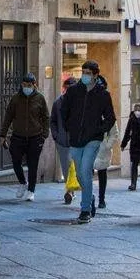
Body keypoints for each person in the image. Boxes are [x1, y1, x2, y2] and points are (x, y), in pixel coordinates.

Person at [60, 60, 116, 223]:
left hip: (93, 139)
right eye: (83, 72)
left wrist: (99, 129)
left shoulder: (103, 95)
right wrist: (69, 126)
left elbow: (110, 118)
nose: (85, 76)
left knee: (85, 170)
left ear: (95, 75)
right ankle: (89, 196)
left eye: (88, 73)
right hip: (75, 139)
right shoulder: (73, 91)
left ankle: (85, 210)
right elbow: (64, 110)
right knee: (79, 174)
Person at [0, 72, 50, 202]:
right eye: (24, 85)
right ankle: (22, 182)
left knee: (33, 165)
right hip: (18, 136)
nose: (26, 87)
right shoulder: (16, 98)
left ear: (34, 85)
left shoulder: (40, 98)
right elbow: (8, 116)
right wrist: (3, 135)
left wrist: (44, 135)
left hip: (35, 137)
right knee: (16, 161)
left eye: (29, 85)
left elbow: (46, 117)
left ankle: (31, 190)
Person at [50, 76, 76, 204]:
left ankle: (72, 190)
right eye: (66, 88)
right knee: (66, 167)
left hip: (77, 142)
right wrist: (56, 135)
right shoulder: (58, 103)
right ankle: (69, 191)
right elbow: (53, 120)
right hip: (62, 141)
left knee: (75, 167)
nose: (67, 90)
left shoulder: (81, 102)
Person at [93, 75, 116, 209]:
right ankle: (89, 197)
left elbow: (114, 133)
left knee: (102, 174)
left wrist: (107, 145)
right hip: (89, 146)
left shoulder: (107, 112)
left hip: (103, 149)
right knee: (86, 175)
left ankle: (101, 199)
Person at [120, 103, 140, 190]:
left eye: (139, 110)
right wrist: (123, 144)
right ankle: (133, 184)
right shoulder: (131, 119)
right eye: (135, 110)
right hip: (135, 144)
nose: (137, 111)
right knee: (134, 165)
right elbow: (127, 132)